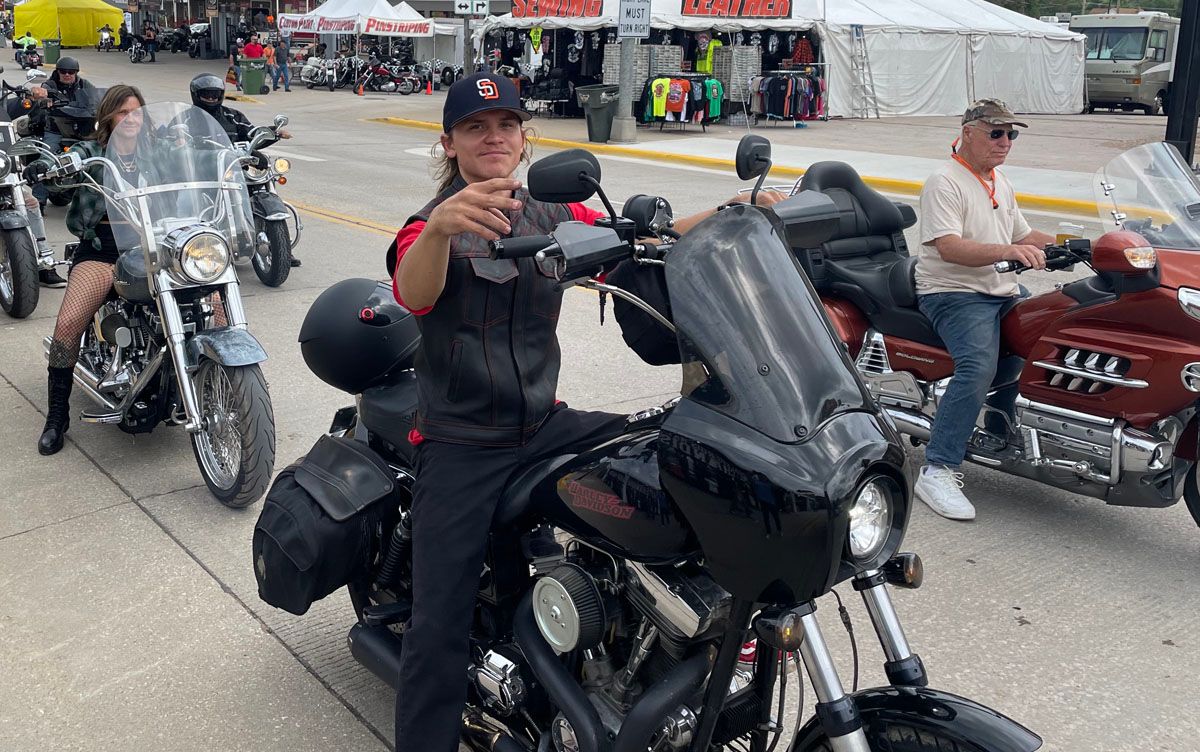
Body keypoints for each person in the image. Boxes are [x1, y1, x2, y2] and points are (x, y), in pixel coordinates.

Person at [387, 72, 782, 752]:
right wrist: (442, 233)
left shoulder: (552, 215)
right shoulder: (431, 223)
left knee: (681, 449)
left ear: (523, 137)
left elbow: (637, 236)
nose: (494, 137)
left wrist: (734, 214)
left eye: (506, 124)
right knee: (438, 625)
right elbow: (412, 291)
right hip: (463, 443)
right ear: (449, 142)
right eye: (476, 127)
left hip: (545, 424)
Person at [913, 98, 1056, 521]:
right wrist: (1010, 250)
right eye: (997, 132)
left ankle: (999, 427)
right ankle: (938, 467)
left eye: (1011, 134)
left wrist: (1083, 244)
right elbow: (949, 246)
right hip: (953, 291)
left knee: (1044, 343)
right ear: (969, 132)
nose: (1006, 141)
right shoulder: (945, 181)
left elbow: (1024, 233)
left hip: (1001, 291)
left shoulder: (998, 180)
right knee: (978, 366)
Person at [28, 85, 149, 454]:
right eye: (124, 112)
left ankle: (226, 379)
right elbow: (64, 169)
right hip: (103, 250)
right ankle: (56, 416)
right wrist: (50, 167)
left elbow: (193, 165)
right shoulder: (92, 151)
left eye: (138, 112)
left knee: (212, 302)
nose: (132, 119)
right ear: (109, 116)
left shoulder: (156, 154)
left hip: (152, 249)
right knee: (67, 326)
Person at [186, 73, 299, 266]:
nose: (212, 98)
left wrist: (272, 132)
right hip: (206, 173)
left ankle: (281, 246)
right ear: (196, 95)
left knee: (263, 183)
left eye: (216, 94)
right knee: (190, 204)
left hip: (237, 168)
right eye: (207, 94)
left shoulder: (232, 115)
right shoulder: (186, 119)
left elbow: (251, 132)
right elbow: (173, 141)